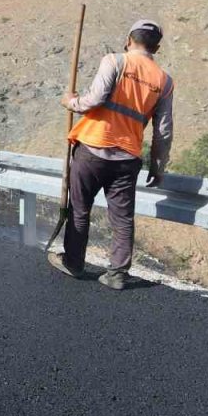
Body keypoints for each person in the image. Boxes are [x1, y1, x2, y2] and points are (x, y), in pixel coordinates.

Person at [50, 20, 174, 290]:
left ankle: (74, 263)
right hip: (127, 158)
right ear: (157, 47)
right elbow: (163, 131)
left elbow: (93, 100)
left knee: (80, 209)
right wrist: (158, 166)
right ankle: (117, 274)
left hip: (93, 149)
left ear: (129, 39)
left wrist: (70, 101)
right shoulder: (164, 81)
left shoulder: (114, 61)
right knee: (122, 217)